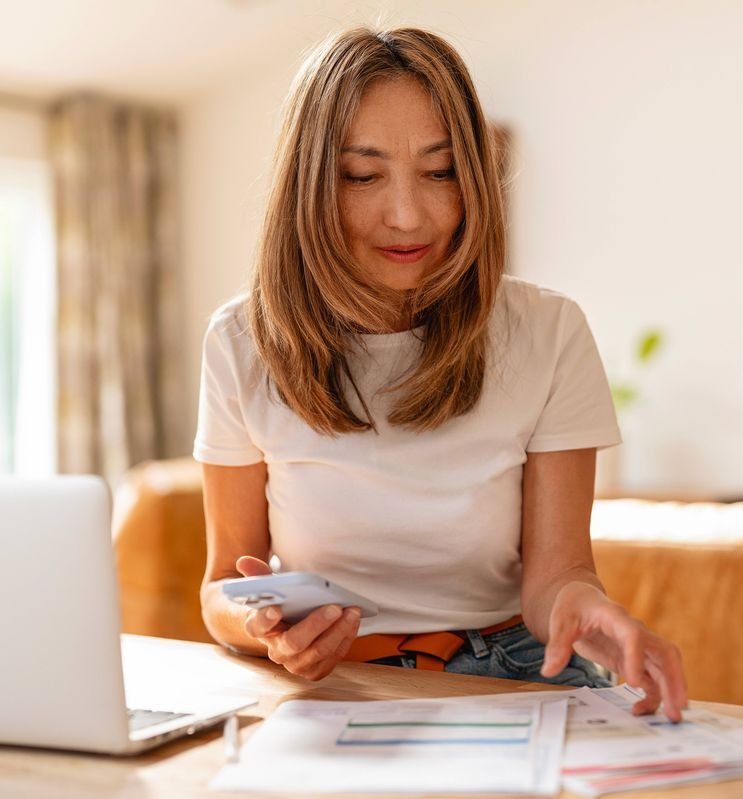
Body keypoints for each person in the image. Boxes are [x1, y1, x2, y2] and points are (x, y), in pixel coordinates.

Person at [195, 26, 688, 721]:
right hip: (335, 684)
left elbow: (558, 576)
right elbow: (222, 586)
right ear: (308, 185)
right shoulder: (242, 340)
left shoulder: (547, 332)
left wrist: (586, 606)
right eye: (362, 176)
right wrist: (267, 629)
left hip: (513, 670)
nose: (408, 215)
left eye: (441, 170)